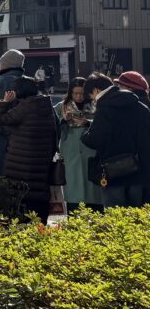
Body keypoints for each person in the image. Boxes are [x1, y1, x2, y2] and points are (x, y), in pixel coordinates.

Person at [0, 76, 58, 221]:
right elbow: (55, 134)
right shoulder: (46, 106)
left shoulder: (25, 107)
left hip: (20, 167)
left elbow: (0, 120)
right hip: (41, 164)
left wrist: (5, 103)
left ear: (17, 92)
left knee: (21, 208)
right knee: (38, 207)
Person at [81, 71, 150, 208]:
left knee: (114, 220)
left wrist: (84, 134)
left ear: (96, 90)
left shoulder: (104, 108)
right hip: (138, 172)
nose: (93, 99)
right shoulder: (141, 107)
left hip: (113, 173)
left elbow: (95, 140)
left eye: (91, 95)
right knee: (136, 219)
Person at [55, 77, 103, 210]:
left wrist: (88, 123)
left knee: (94, 191)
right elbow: (52, 126)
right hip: (71, 155)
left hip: (91, 153)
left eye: (81, 93)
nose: (78, 96)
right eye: (75, 93)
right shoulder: (62, 107)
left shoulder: (96, 106)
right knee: (74, 193)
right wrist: (63, 120)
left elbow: (103, 126)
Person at [0, 49, 26, 176]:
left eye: (1, 61)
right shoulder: (26, 80)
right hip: (21, 135)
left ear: (6, 63)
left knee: (3, 172)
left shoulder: (2, 80)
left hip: (3, 136)